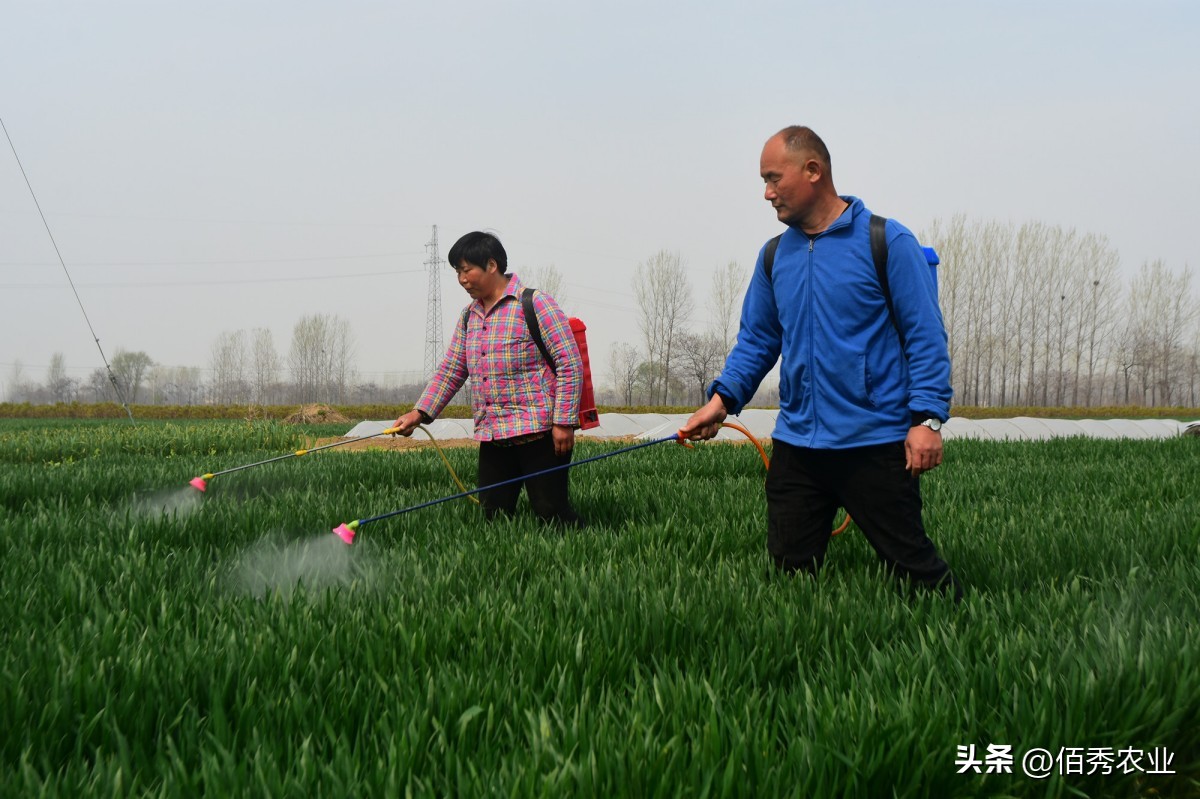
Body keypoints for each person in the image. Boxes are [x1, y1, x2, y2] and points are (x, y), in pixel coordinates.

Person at [680, 126, 960, 597]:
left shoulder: (887, 242)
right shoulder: (774, 256)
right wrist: (721, 400)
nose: (766, 193)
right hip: (799, 447)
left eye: (774, 178)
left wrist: (928, 420)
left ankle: (960, 640)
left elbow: (925, 337)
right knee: (789, 577)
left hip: (875, 442)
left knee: (916, 572)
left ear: (813, 170)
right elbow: (758, 340)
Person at [393, 231, 586, 528]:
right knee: (494, 516)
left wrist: (563, 422)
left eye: (467, 269)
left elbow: (569, 364)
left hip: (541, 432)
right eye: (458, 271)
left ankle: (575, 557)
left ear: (491, 265)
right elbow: (452, 369)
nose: (462, 279)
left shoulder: (534, 304)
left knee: (551, 512)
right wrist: (419, 413)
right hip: (494, 434)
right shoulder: (470, 316)